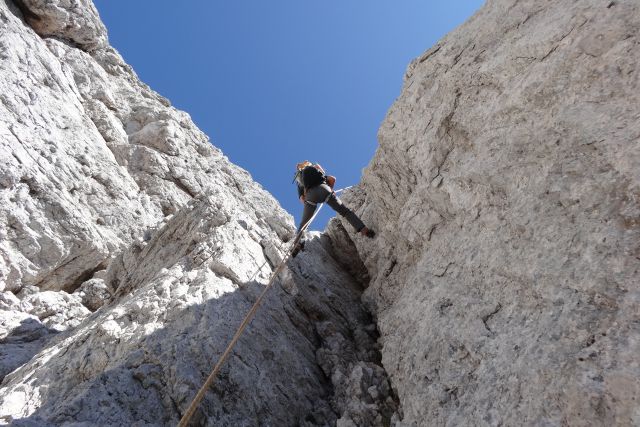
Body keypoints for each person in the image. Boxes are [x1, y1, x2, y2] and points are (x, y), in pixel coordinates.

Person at [293, 161, 375, 238]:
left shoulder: (301, 184)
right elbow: (333, 179)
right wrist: (330, 191)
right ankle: (364, 230)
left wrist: (309, 202)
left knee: (304, 223)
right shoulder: (319, 175)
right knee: (345, 212)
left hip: (310, 196)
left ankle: (296, 244)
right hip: (324, 189)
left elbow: (302, 200)